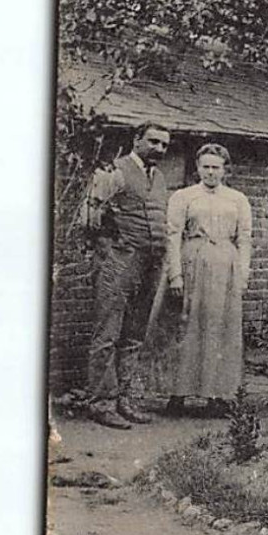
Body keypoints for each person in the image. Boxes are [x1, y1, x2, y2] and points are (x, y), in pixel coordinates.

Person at [80, 123, 171, 428]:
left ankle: (125, 399)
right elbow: (91, 217)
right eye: (153, 141)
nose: (159, 148)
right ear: (137, 140)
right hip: (121, 260)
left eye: (164, 144)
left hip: (152, 262)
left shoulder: (158, 177)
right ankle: (101, 402)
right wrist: (108, 251)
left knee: (134, 333)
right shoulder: (114, 172)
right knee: (107, 331)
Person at [163, 144, 253, 416]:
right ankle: (178, 393)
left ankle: (218, 394)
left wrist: (243, 274)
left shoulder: (238, 199)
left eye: (216, 167)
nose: (211, 172)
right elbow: (173, 234)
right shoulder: (184, 196)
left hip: (226, 264)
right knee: (188, 325)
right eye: (206, 167)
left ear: (225, 170)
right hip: (194, 261)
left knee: (221, 327)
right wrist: (175, 274)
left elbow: (245, 238)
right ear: (197, 168)